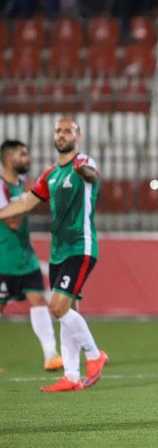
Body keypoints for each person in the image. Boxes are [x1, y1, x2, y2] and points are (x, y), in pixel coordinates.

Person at [0, 117, 108, 392]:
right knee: (67, 311)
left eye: (68, 131)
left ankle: (95, 355)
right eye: (58, 131)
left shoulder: (83, 162)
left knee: (57, 307)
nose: (61, 134)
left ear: (78, 137)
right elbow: (26, 203)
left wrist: (85, 172)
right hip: (58, 251)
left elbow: (92, 175)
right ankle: (71, 376)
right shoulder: (50, 174)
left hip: (80, 246)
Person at [0, 140, 62, 372]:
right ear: (9, 158)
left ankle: (51, 355)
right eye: (22, 154)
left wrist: (29, 199)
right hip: (3, 259)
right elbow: (12, 222)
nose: (27, 158)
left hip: (26, 258)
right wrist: (29, 202)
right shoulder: (1, 186)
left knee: (38, 300)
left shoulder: (23, 184)